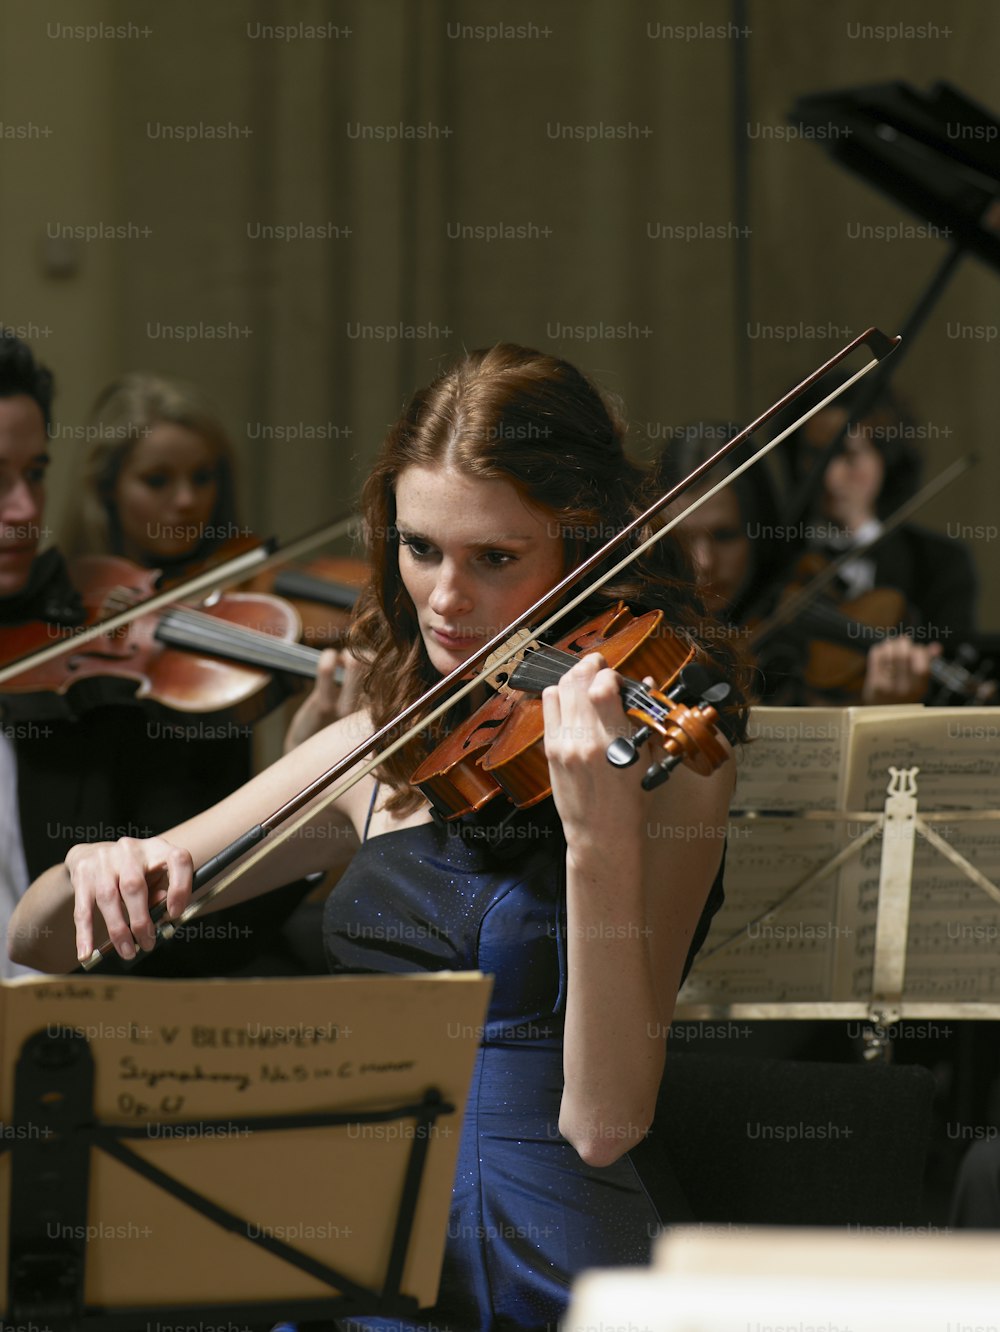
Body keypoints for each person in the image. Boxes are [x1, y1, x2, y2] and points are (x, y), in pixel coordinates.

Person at [10, 343, 746, 1330]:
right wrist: (96, 867)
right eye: (419, 548)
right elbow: (39, 940)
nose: (443, 601)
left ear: (584, 545)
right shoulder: (383, 741)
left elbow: (605, 1122)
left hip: (548, 1256)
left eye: (495, 558)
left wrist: (597, 845)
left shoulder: (663, 755)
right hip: (359, 1242)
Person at [774, 371, 979, 705]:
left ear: (886, 457)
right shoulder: (773, 555)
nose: (830, 476)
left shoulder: (940, 564)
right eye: (815, 455)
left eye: (849, 454)